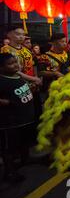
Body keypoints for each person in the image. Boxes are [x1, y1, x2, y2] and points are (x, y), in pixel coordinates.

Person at [0, 53, 36, 183]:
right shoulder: (2, 80)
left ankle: (26, 158)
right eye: (10, 63)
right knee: (9, 148)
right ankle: (9, 172)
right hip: (10, 122)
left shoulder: (16, 75)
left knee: (24, 141)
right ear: (1, 68)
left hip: (24, 118)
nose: (15, 65)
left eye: (15, 62)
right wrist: (7, 103)